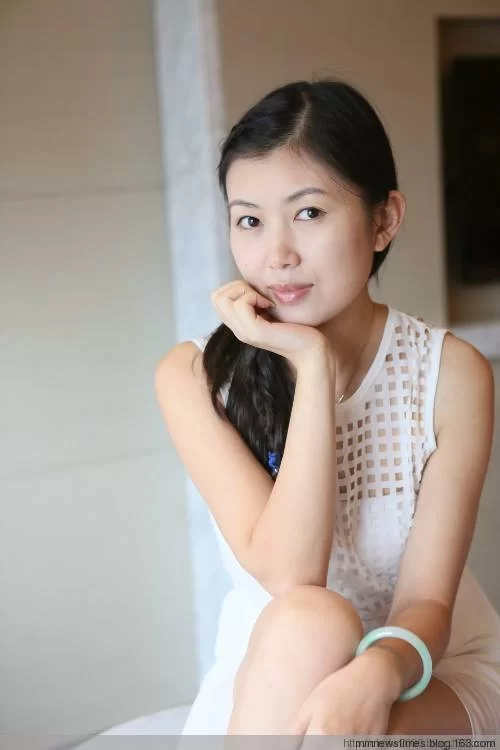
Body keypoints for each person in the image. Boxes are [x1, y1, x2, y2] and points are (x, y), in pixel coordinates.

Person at [154, 78, 500, 736]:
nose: (277, 255)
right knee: (312, 619)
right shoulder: (193, 377)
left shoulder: (451, 375)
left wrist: (375, 672)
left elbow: (428, 601)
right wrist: (312, 367)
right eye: (250, 220)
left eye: (309, 213)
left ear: (383, 220)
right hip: (284, 660)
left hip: (423, 666)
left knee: (334, 721)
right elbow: (293, 574)